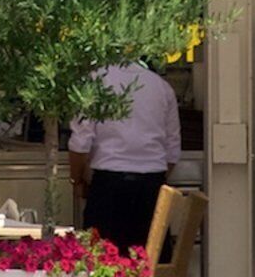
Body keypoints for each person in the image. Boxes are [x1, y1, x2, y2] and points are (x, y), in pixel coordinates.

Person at [69, 59, 182, 254]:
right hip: (151, 187)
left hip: (108, 186)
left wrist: (77, 179)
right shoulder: (161, 87)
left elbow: (80, 143)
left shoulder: (94, 82)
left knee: (101, 268)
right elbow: (172, 152)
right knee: (150, 268)